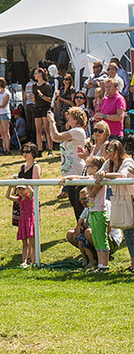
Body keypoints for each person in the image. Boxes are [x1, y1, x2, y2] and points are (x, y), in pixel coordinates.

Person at [62, 156, 109, 272]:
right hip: (93, 212)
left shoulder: (100, 179)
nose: (86, 169)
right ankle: (100, 264)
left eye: (88, 167)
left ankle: (105, 264)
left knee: (102, 239)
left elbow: (92, 193)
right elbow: (79, 177)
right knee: (97, 240)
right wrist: (67, 178)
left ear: (95, 168)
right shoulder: (91, 178)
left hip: (99, 212)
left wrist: (88, 184)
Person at [95, 141, 134, 272]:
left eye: (112, 150)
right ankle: (133, 264)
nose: (110, 153)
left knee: (131, 233)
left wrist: (104, 175)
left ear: (119, 150)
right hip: (123, 201)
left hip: (131, 200)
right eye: (108, 150)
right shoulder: (109, 163)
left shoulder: (127, 162)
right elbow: (99, 173)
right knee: (128, 232)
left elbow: (121, 175)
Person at [47, 107, 87, 219]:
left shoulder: (77, 131)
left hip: (76, 170)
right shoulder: (73, 131)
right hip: (69, 170)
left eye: (69, 116)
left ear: (75, 119)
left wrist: (52, 121)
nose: (67, 117)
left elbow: (56, 137)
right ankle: (79, 229)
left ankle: (82, 229)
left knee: (78, 203)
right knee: (74, 203)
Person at [5, 184, 35, 267]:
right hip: (22, 221)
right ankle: (24, 261)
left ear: (27, 190)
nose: (20, 191)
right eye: (19, 189)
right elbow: (8, 196)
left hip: (29, 220)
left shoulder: (29, 197)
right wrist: (10, 186)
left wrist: (26, 183)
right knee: (24, 243)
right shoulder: (19, 199)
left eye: (22, 189)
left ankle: (33, 260)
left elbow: (33, 191)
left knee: (32, 243)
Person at [33, 67, 53, 156]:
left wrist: (41, 95)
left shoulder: (46, 85)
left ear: (40, 74)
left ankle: (50, 149)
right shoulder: (34, 86)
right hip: (37, 108)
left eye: (36, 73)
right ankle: (40, 149)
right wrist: (33, 97)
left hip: (45, 108)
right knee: (38, 130)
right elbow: (34, 100)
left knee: (47, 130)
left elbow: (50, 100)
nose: (34, 75)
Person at [0, 77, 12, 154]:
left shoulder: (7, 93)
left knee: (6, 131)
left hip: (4, 113)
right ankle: (4, 148)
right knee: (1, 132)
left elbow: (4, 105)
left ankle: (8, 148)